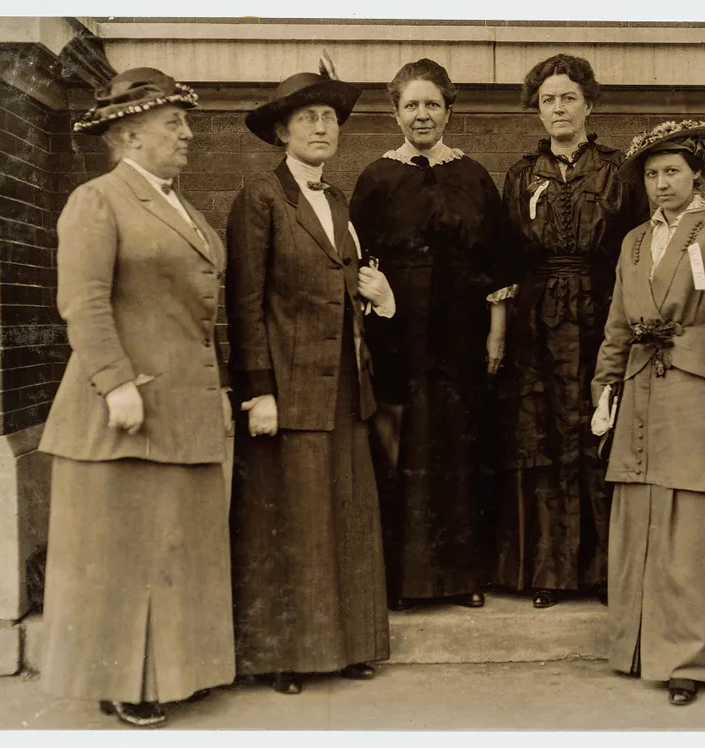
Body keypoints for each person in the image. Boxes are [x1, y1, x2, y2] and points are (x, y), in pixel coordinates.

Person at [37, 68, 235, 727]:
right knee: (124, 554)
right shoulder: (99, 200)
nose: (188, 135)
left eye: (186, 121)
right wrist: (115, 382)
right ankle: (124, 682)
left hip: (183, 407)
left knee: (175, 549)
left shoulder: (183, 206)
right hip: (128, 411)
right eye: (173, 123)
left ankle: (175, 673)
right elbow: (83, 300)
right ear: (129, 136)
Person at [224, 54, 397, 696]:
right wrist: (258, 390)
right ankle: (285, 656)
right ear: (282, 132)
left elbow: (339, 281)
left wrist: (375, 294)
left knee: (347, 513)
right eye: (309, 118)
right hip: (288, 391)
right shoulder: (260, 199)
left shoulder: (340, 199)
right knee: (292, 519)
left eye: (330, 117)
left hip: (345, 388)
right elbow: (244, 303)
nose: (323, 127)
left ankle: (350, 645)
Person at [590, 120, 705, 706]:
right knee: (640, 516)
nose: (662, 183)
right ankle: (637, 646)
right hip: (640, 388)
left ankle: (692, 659)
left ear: (697, 175)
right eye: (653, 174)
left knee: (693, 523)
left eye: (673, 172)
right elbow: (617, 320)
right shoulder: (635, 240)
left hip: (698, 390)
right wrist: (605, 385)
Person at [350, 59, 511, 611]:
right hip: (398, 332)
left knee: (461, 447)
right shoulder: (377, 178)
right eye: (412, 105)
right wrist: (376, 309)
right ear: (396, 112)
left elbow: (496, 262)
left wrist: (495, 331)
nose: (422, 115)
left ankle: (463, 576)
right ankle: (403, 580)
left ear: (448, 111)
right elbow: (358, 258)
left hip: (462, 336)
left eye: (432, 105)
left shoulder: (474, 175)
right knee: (401, 449)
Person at [494, 54, 648, 609]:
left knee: (598, 426)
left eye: (568, 98)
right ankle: (549, 572)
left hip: (601, 309)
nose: (558, 109)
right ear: (537, 111)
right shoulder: (519, 174)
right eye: (547, 101)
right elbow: (507, 256)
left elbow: (637, 247)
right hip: (535, 318)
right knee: (542, 433)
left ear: (588, 104)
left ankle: (607, 570)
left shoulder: (620, 170)